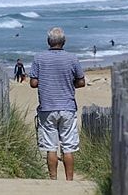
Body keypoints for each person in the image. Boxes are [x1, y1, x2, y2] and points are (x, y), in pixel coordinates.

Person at [29, 27, 85, 181]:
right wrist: (68, 82)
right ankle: (69, 181)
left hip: (47, 107)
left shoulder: (39, 58)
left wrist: (45, 80)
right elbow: (81, 82)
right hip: (67, 107)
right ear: (64, 42)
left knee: (50, 147)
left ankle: (53, 180)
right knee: (68, 147)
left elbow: (33, 83)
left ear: (48, 41)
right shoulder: (72, 58)